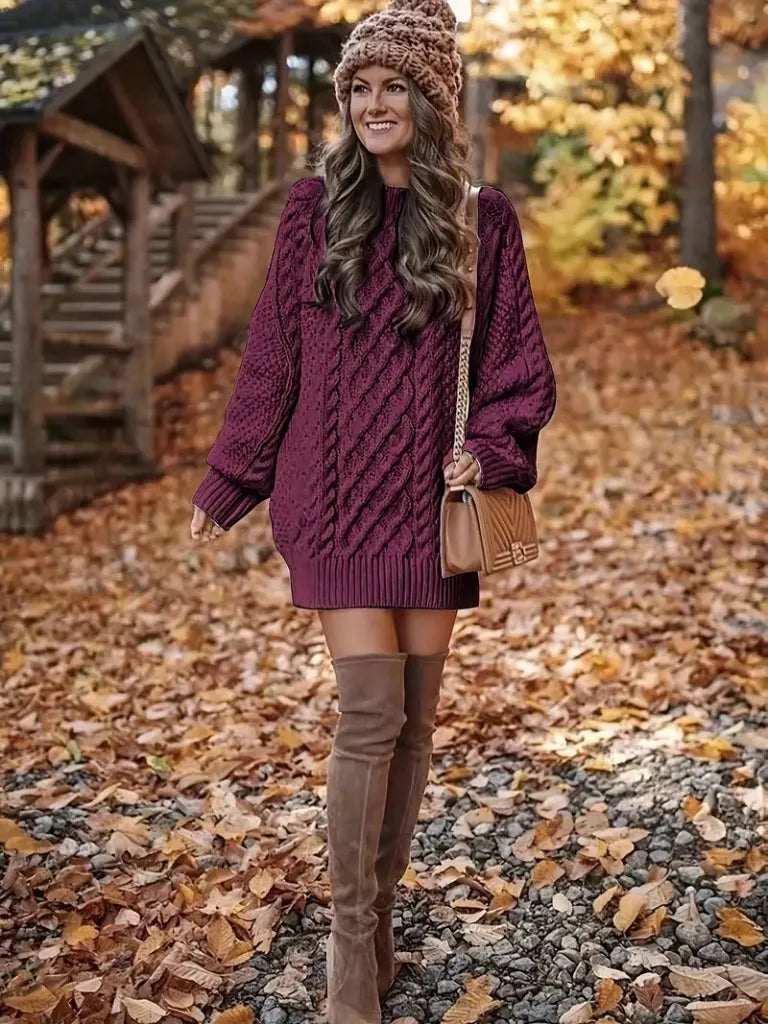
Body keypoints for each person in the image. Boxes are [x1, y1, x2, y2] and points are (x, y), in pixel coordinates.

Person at [190, 0, 557, 1019]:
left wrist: (486, 454)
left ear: (435, 100)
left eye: (395, 86)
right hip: (333, 500)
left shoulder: (484, 221)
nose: (374, 103)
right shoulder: (314, 210)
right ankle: (352, 957)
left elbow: (516, 368)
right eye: (360, 87)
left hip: (430, 504)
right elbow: (272, 358)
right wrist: (232, 476)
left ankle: (384, 926)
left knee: (415, 724)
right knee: (370, 713)